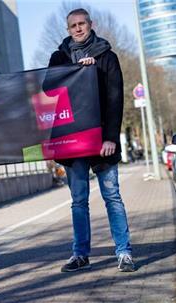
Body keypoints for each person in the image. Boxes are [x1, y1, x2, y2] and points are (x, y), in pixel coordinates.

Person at [48, 8, 134, 272]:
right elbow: (48, 89)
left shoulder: (107, 57)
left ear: (90, 24)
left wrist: (111, 138)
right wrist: (73, 70)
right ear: (68, 29)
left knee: (112, 196)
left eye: (81, 23)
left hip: (101, 141)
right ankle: (80, 254)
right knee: (78, 201)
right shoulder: (58, 57)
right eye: (72, 25)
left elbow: (115, 98)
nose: (77, 29)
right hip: (72, 142)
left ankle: (124, 252)